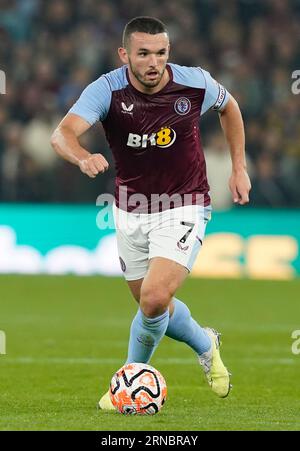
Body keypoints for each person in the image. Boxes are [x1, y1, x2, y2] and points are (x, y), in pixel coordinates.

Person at [51, 16, 251, 408]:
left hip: (185, 203)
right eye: (143, 54)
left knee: (156, 297)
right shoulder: (107, 89)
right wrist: (82, 157)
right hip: (131, 209)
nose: (153, 62)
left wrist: (239, 168)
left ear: (168, 53)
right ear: (125, 54)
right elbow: (62, 134)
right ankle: (205, 342)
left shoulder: (194, 83)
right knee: (152, 305)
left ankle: (125, 383)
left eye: (160, 53)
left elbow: (231, 109)